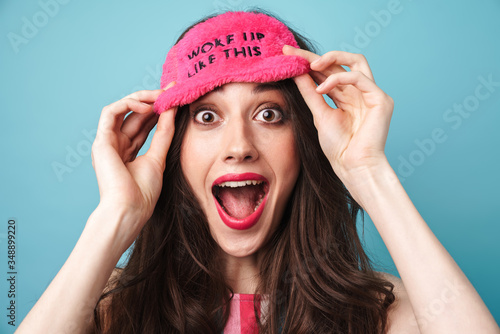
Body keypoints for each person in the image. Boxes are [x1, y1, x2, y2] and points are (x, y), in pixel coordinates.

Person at [16, 10, 499, 334]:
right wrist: (116, 216)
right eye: (207, 117)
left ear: (305, 139)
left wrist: (368, 172)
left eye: (269, 114)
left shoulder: (381, 312)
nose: (239, 147)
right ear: (173, 148)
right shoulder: (109, 306)